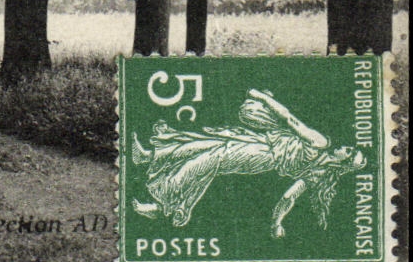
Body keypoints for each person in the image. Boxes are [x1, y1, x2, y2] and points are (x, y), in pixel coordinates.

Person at [131, 88, 366, 237]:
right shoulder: (319, 170)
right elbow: (289, 197)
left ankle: (162, 206)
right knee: (207, 143)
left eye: (349, 152)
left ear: (343, 162)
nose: (346, 147)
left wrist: (261, 97)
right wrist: (277, 224)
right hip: (261, 141)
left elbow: (289, 119)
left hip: (262, 154)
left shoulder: (320, 144)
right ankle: (149, 156)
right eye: (350, 148)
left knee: (211, 159)